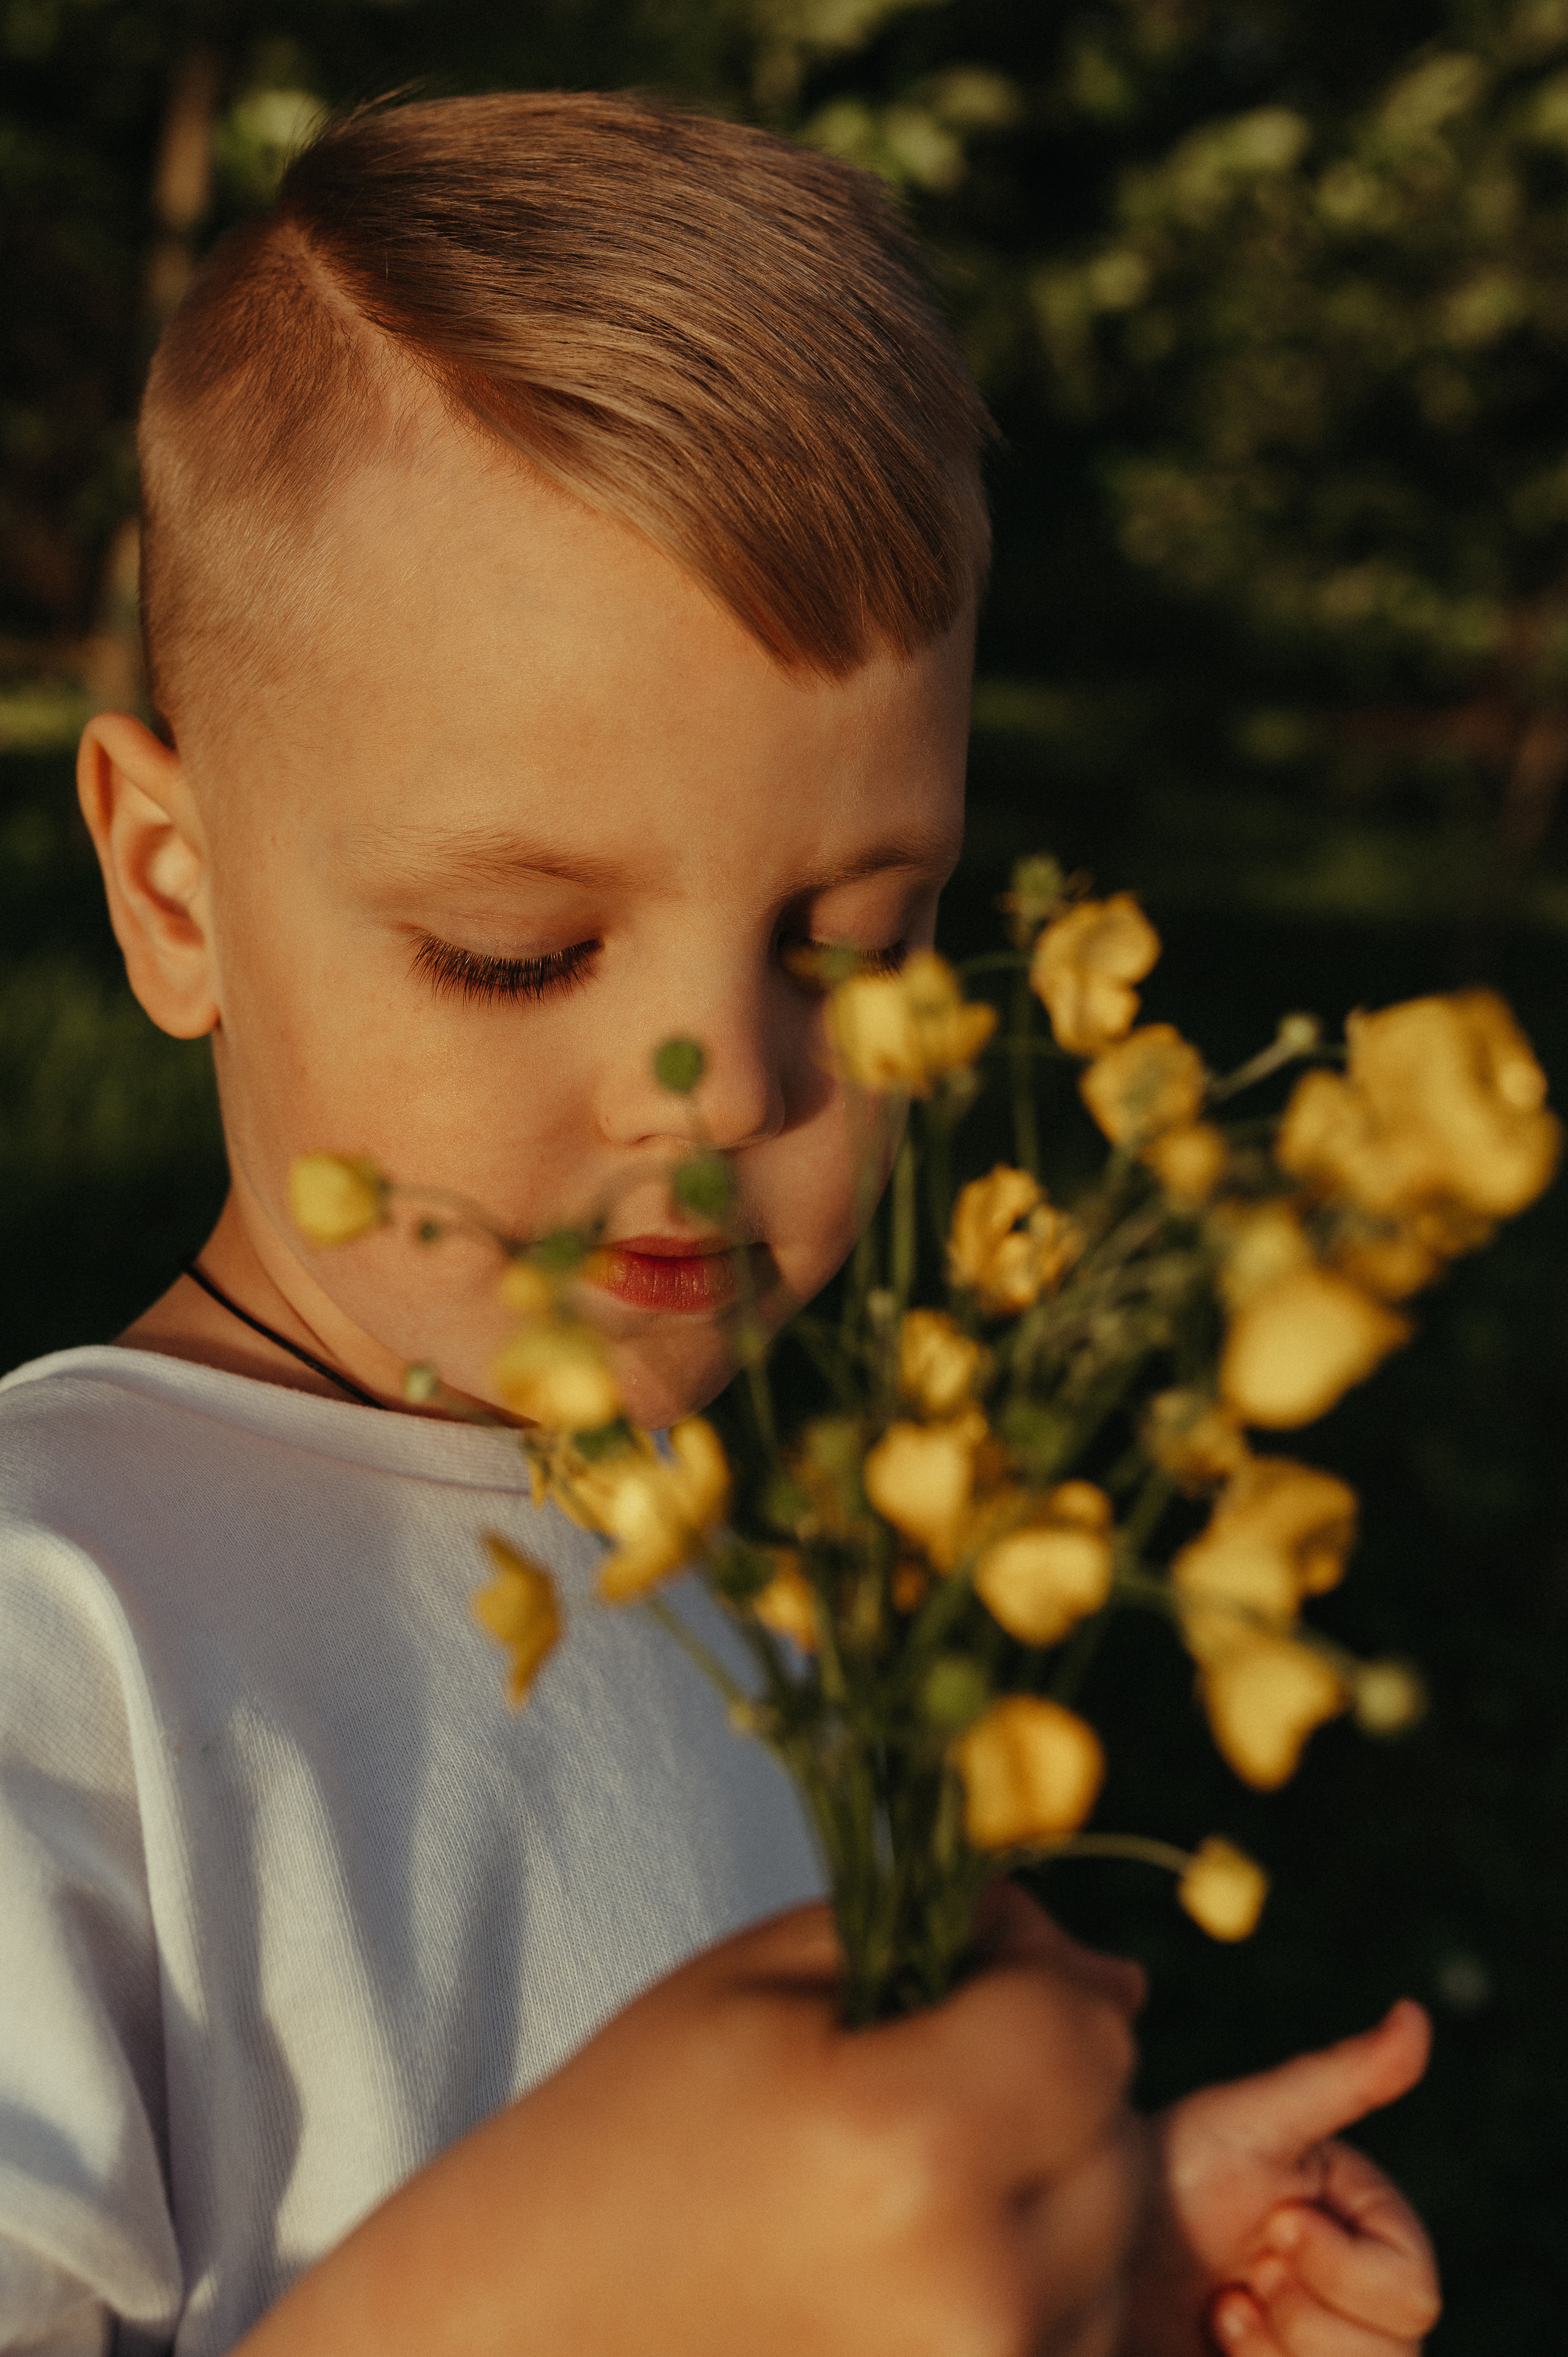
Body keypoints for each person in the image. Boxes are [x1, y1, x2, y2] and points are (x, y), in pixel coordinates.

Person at [0, 92, 1440, 2357]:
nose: (735, 1087)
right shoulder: (60, 1616)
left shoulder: (763, 1616)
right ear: (172, 893)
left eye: (855, 946)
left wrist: (1068, 2289)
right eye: (515, 950)